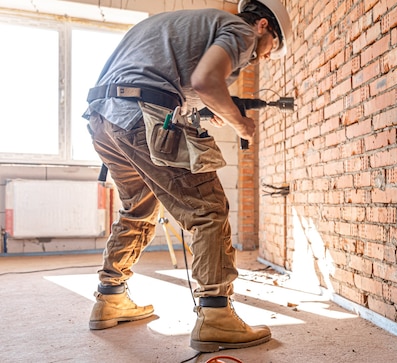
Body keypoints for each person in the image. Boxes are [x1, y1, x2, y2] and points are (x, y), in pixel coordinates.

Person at [84, 0, 292, 353]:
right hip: (139, 116)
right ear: (262, 26)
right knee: (207, 209)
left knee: (139, 207)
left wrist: (211, 108)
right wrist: (241, 124)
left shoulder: (186, 24)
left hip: (103, 119)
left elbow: (184, 83)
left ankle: (110, 297)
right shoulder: (240, 30)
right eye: (275, 45)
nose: (269, 55)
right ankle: (216, 316)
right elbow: (206, 81)